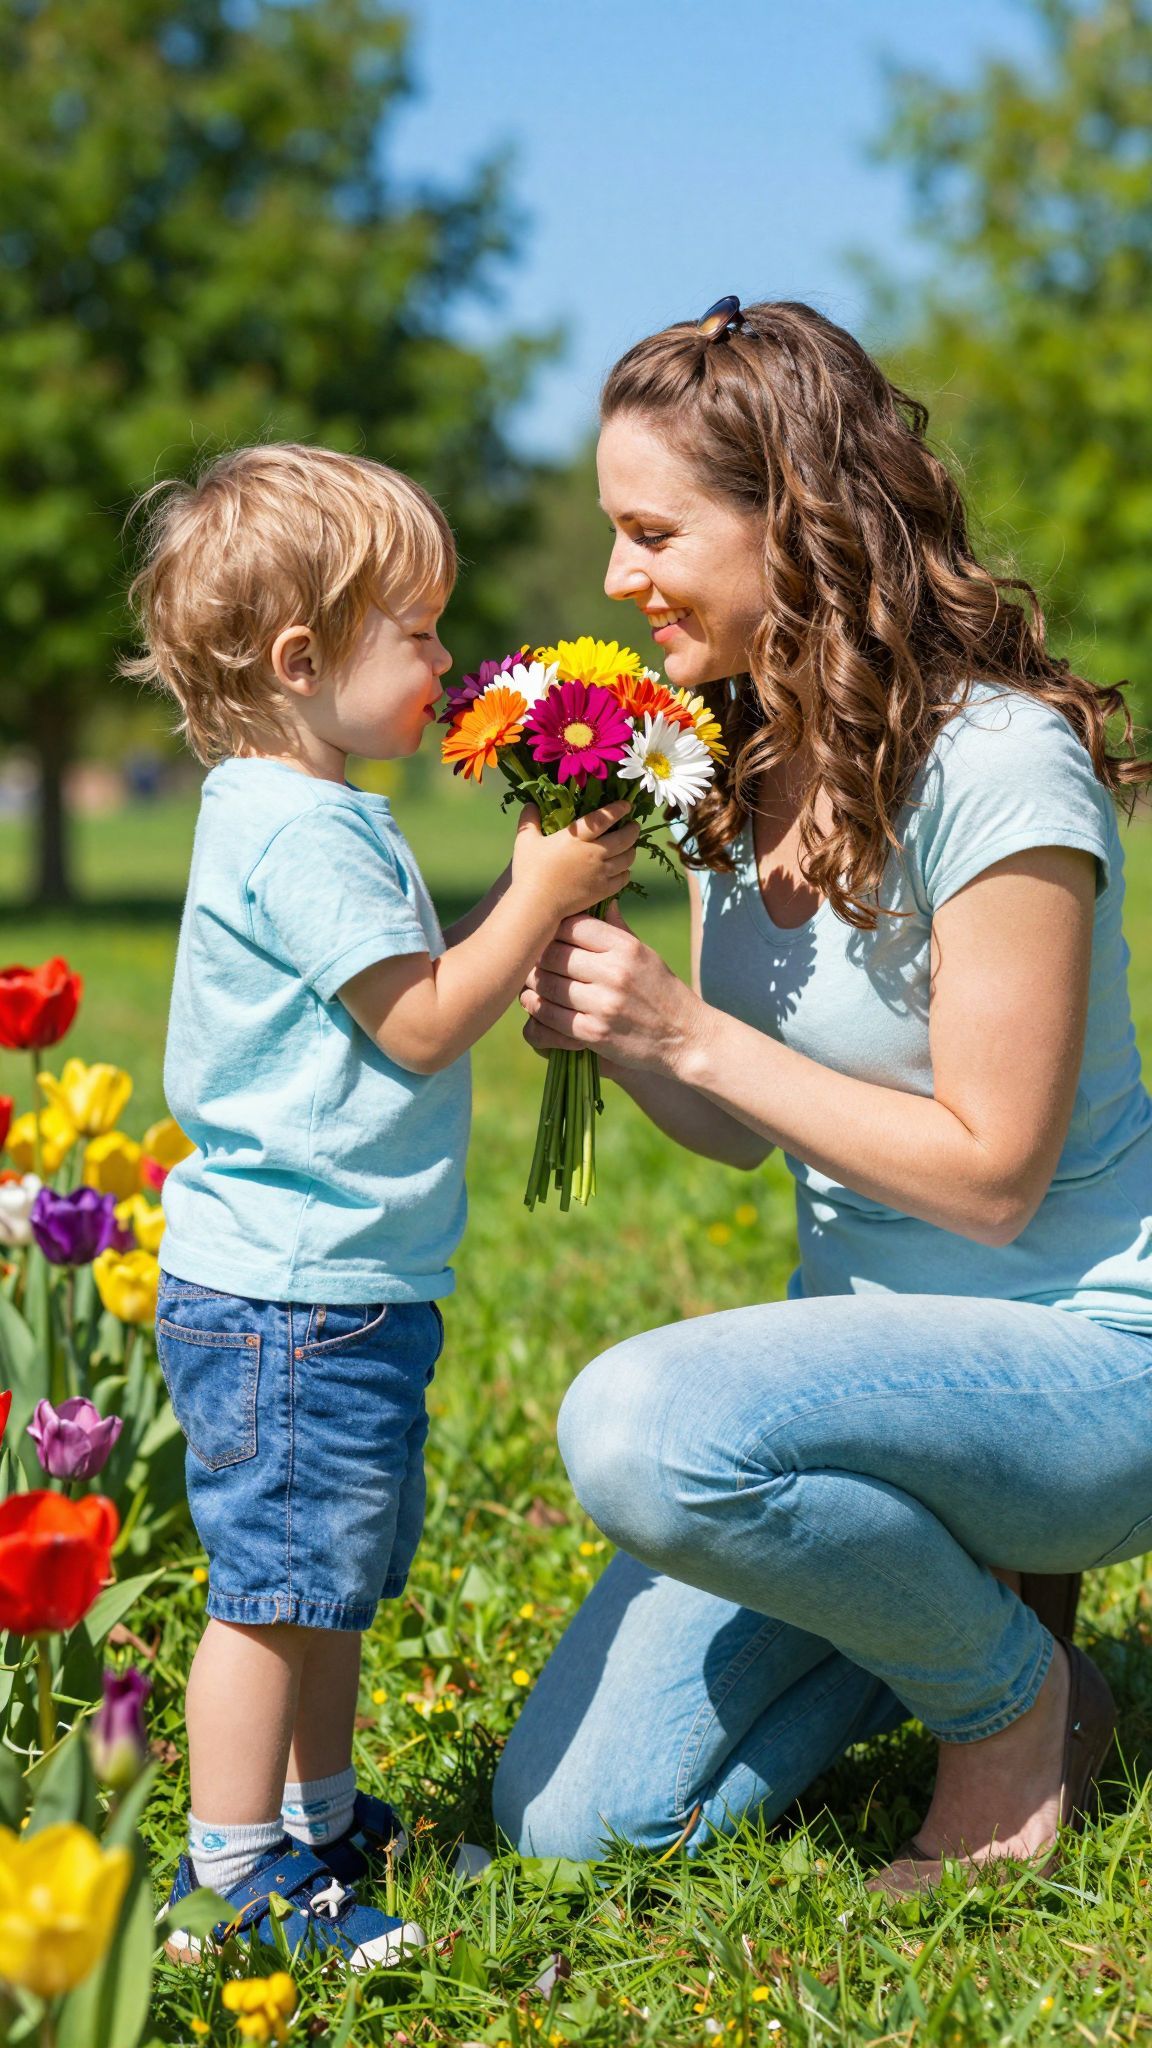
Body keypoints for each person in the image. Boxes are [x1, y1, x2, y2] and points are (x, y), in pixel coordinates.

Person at [493, 298, 1152, 1896]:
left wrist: (696, 1035)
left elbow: (996, 1173)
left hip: (1084, 1367)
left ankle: (1007, 1705)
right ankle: (973, 1612)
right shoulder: (735, 770)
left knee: (638, 1424)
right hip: (866, 1391)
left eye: (652, 532)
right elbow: (743, 1126)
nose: (614, 580)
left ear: (792, 526)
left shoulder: (998, 765)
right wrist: (640, 1042)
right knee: (568, 1831)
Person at [124, 443, 638, 1963]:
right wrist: (534, 894)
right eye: (416, 631)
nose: (444, 659)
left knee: (326, 1588)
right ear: (301, 659)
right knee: (275, 1595)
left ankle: (322, 1826)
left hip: (336, 1285)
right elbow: (417, 1021)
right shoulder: (295, 829)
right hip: (291, 1294)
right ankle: (231, 1878)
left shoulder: (310, 813)